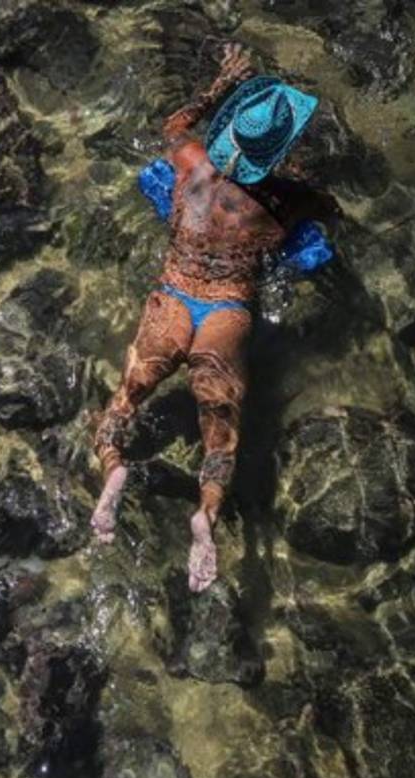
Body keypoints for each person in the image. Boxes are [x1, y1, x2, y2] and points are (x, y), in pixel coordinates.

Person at [90, 44, 331, 592]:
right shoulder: (286, 203)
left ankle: (114, 470)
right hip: (225, 312)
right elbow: (328, 211)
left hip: (172, 297)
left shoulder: (191, 162)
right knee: (221, 437)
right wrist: (300, 180)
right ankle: (207, 516)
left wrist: (219, 83)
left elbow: (172, 123)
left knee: (124, 400)